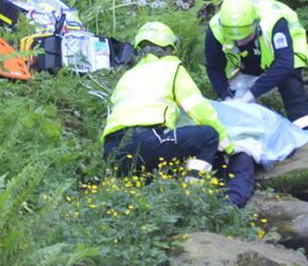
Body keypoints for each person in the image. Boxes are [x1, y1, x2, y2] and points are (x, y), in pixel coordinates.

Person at [102, 22, 253, 206]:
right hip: (146, 139)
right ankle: (193, 196)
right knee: (208, 136)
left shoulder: (128, 76)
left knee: (157, 162)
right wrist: (228, 146)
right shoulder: (171, 68)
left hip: (112, 151)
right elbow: (199, 109)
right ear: (169, 48)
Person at [205, 0, 308, 132]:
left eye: (245, 37)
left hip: (285, 55)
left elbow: (285, 63)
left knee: (291, 85)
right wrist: (226, 96)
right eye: (235, 39)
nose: (240, 42)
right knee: (236, 95)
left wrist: (251, 94)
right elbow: (214, 68)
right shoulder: (216, 28)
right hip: (247, 58)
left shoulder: (274, 22)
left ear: (255, 24)